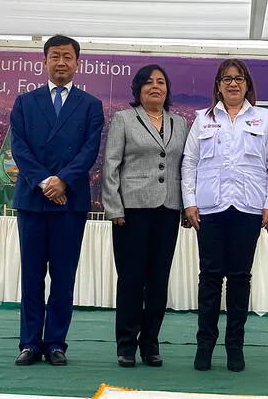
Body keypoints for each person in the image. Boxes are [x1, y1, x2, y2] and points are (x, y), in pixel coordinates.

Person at [10, 35, 105, 366]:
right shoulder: (25, 102)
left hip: (70, 200)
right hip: (33, 199)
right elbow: (19, 148)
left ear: (78, 63)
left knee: (64, 277)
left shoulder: (91, 104)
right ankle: (29, 342)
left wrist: (62, 180)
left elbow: (89, 150)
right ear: (45, 61)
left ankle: (55, 344)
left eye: (68, 56)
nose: (61, 62)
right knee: (32, 275)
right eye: (55, 56)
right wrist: (44, 180)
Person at [182, 59, 268, 372]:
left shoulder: (263, 119)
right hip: (210, 208)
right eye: (227, 79)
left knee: (240, 279)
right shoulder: (203, 119)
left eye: (239, 79)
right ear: (219, 85)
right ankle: (204, 346)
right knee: (209, 278)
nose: (233, 84)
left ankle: (234, 347)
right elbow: (189, 163)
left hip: (249, 208)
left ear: (248, 84)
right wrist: (190, 202)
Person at [101, 64, 188, 368]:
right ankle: (126, 345)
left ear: (168, 89)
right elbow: (110, 165)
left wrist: (187, 205)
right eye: (148, 82)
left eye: (161, 82)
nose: (155, 87)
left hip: (168, 210)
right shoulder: (124, 119)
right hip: (131, 210)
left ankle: (150, 343)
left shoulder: (180, 122)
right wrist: (114, 208)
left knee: (158, 280)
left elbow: (184, 167)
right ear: (137, 89)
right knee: (131, 279)